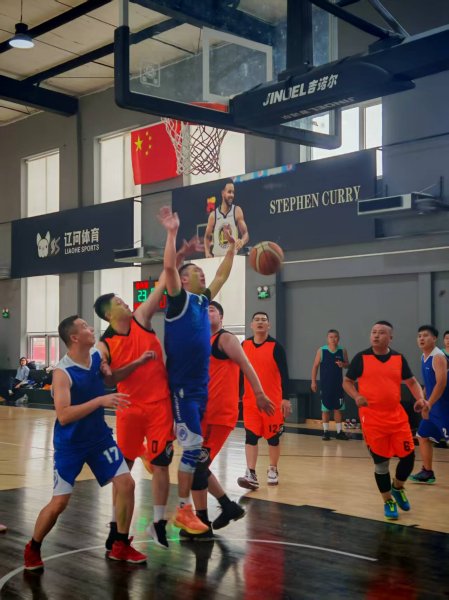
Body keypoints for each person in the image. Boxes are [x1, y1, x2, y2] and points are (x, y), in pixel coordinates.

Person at [23, 315, 146, 571]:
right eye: (85, 327)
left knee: (127, 484)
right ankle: (33, 547)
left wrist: (134, 362)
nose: (91, 328)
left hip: (99, 439)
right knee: (59, 503)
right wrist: (100, 401)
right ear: (74, 337)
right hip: (71, 444)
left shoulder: (97, 356)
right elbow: (64, 415)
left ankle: (120, 544)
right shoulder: (62, 372)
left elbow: (110, 374)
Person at [158, 205, 236, 535]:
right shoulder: (178, 300)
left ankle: (189, 508)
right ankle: (183, 510)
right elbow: (168, 267)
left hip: (201, 388)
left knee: (194, 447)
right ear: (183, 279)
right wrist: (172, 234)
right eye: (196, 273)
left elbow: (221, 276)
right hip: (182, 389)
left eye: (202, 273)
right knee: (192, 447)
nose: (203, 276)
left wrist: (233, 248)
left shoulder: (203, 302)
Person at [94, 272, 175, 550]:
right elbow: (109, 379)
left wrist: (173, 261)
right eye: (119, 302)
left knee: (161, 463)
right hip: (129, 409)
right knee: (123, 470)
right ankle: (116, 525)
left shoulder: (141, 319)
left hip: (159, 405)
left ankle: (159, 522)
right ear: (108, 314)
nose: (125, 303)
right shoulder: (104, 344)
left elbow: (161, 285)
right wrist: (136, 363)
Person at [181, 301, 275, 539]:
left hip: (219, 415)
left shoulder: (226, 339)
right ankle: (227, 507)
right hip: (200, 415)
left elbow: (246, 365)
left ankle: (203, 522)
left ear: (221, 317)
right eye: (204, 310)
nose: (207, 312)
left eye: (212, 309)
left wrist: (260, 393)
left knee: (197, 466)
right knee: (197, 466)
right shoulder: (200, 342)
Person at [343, 320, 426, 521]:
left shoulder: (398, 358)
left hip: (396, 416)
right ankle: (388, 500)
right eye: (373, 332)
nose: (376, 335)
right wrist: (356, 395)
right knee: (381, 464)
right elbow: (347, 382)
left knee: (408, 457)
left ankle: (397, 487)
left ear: (390, 337)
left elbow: (411, 381)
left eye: (381, 332)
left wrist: (420, 399)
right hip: (372, 418)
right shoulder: (361, 358)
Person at [237, 312, 291, 490]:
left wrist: (285, 398)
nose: (260, 322)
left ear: (269, 325)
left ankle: (273, 469)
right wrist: (237, 395)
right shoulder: (244, 345)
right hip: (250, 402)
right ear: (251, 325)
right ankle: (251, 473)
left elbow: (285, 375)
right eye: (257, 320)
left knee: (273, 438)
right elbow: (239, 373)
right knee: (250, 436)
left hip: (272, 403)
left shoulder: (276, 347)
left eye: (264, 320)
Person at [409, 325, 449, 484]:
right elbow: (428, 383)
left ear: (434, 338)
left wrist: (428, 404)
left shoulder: (438, 357)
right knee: (423, 436)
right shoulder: (423, 356)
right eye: (419, 336)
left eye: (425, 335)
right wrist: (422, 399)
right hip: (433, 407)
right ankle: (427, 472)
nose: (421, 338)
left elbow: (441, 383)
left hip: (444, 408)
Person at [311, 329, 350, 441]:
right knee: (325, 409)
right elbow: (315, 366)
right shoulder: (321, 350)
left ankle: (339, 432)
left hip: (338, 385)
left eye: (335, 337)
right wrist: (313, 381)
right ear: (327, 338)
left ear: (339, 338)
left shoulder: (342, 350)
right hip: (326, 385)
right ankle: (326, 432)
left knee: (338, 409)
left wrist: (343, 364)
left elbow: (348, 364)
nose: (333, 339)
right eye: (331, 337)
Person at [204, 179, 249, 258]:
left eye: (233, 192)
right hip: (217, 258)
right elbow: (207, 237)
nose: (232, 195)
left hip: (232, 258)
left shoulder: (237, 211)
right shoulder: (213, 215)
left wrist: (242, 241)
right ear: (222, 193)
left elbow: (246, 234)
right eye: (229, 192)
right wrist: (207, 252)